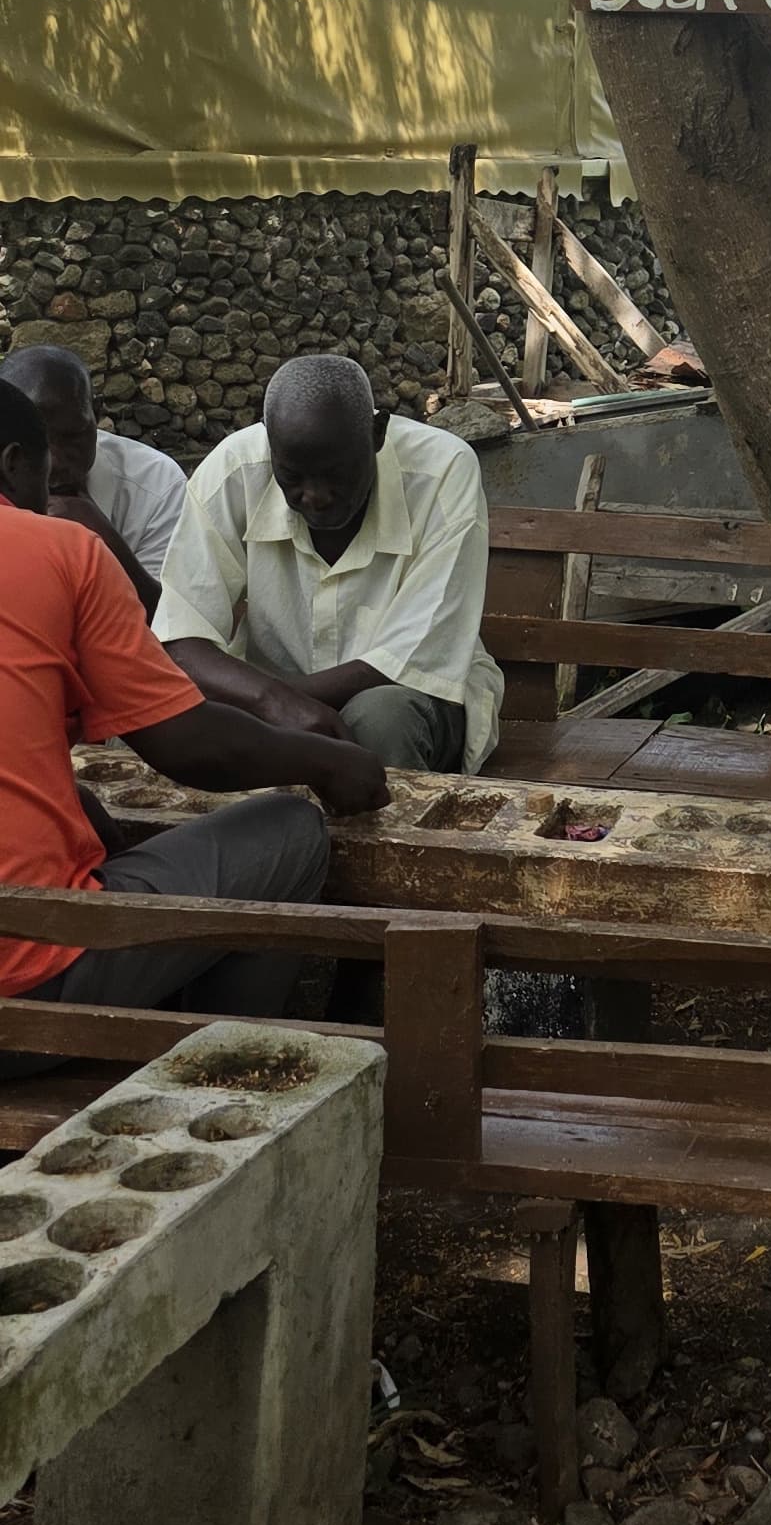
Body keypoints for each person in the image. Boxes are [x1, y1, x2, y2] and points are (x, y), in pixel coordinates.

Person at [0, 381, 391, 1081]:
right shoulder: (59, 551)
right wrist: (324, 763)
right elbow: (187, 745)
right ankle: (213, 1081)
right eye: (42, 468)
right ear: (11, 463)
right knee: (291, 834)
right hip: (27, 996)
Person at [156, 354, 504, 772]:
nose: (315, 496)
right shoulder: (235, 469)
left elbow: (411, 659)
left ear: (377, 433)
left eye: (336, 474)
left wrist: (277, 703)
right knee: (156, 715)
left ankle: (383, 839)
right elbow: (181, 639)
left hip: (408, 696)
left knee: (378, 719)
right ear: (269, 442)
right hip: (271, 697)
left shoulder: (444, 471)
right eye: (292, 476)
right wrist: (271, 702)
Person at [0, 344, 187, 615]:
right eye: (33, 442)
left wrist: (105, 543)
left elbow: (174, 624)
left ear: (95, 413)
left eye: (72, 436)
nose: (56, 461)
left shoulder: (156, 484)